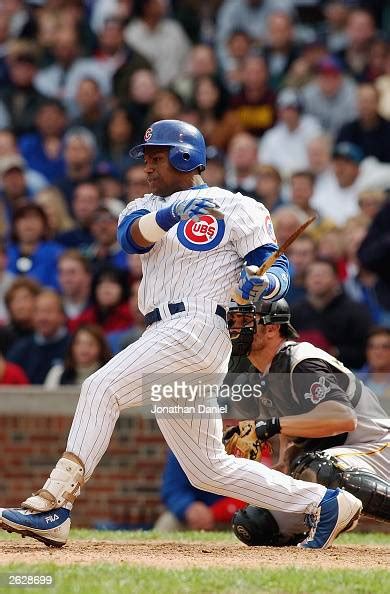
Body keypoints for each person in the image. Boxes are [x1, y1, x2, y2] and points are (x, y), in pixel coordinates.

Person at [0, 119, 362, 550]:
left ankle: (52, 505)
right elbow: (130, 239)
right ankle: (325, 502)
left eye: (157, 157)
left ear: (185, 156)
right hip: (167, 332)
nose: (148, 167)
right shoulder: (141, 206)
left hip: (199, 326)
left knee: (100, 388)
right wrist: (172, 212)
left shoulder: (236, 205)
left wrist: (266, 284)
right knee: (206, 467)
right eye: (147, 158)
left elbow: (275, 263)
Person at [224, 299, 389, 547]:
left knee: (319, 468)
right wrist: (282, 465)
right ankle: (329, 516)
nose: (237, 328)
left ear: (272, 328)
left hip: (376, 446)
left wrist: (268, 426)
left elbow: (342, 418)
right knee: (255, 523)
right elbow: (291, 422)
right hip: (339, 455)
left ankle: (334, 514)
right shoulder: (263, 375)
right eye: (235, 322)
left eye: (246, 321)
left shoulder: (302, 360)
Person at [291, 259, 372, 369]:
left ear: (336, 279)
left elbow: (366, 350)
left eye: (323, 274)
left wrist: (335, 352)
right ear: (305, 280)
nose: (317, 278)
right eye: (312, 274)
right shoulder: (294, 311)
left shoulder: (355, 311)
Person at [155, 449, 246, 532]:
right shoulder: (182, 443)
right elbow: (172, 489)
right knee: (167, 523)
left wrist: (215, 513)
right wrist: (188, 507)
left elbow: (248, 492)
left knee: (249, 526)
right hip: (192, 515)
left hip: (231, 517)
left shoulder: (243, 442)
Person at [44, 324, 112, 388]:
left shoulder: (110, 375)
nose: (84, 349)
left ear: (101, 348)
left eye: (90, 344)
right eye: (78, 343)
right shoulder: (57, 373)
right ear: (71, 347)